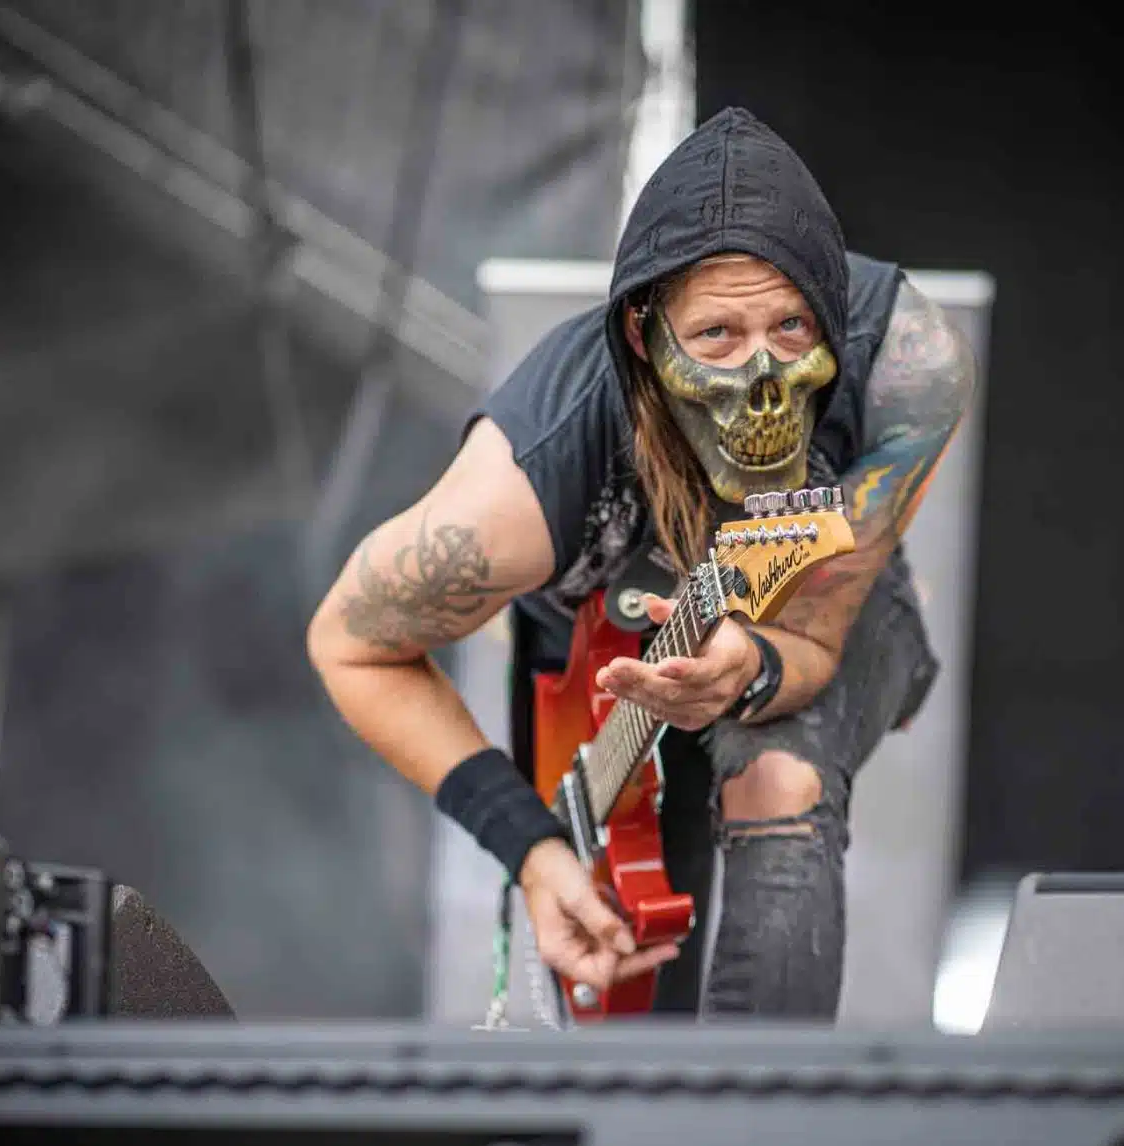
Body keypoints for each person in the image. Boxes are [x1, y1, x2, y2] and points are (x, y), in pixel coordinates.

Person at [308, 107, 976, 1021]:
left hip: (799, 608)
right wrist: (532, 847)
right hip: (597, 697)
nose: (763, 383)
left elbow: (817, 642)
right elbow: (349, 644)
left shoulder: (907, 365)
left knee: (780, 781)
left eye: (792, 329)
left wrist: (755, 667)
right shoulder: (529, 474)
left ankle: (766, 1102)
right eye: (716, 338)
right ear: (642, 337)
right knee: (621, 980)